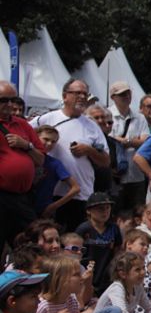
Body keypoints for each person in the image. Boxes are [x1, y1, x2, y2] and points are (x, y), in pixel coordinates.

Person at [30, 78, 109, 232]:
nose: (81, 97)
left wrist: (89, 150)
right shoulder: (47, 118)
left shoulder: (92, 126)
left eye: (84, 94)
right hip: (50, 193)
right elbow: (25, 132)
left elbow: (106, 162)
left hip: (81, 194)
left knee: (75, 239)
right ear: (65, 96)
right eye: (77, 93)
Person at [0, 80, 44, 245]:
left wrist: (26, 145)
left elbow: (40, 159)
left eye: (13, 99)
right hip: (2, 194)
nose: (9, 104)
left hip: (22, 197)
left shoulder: (23, 125)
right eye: (4, 100)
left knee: (29, 243)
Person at [107, 82, 149, 213]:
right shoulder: (106, 115)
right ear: (113, 97)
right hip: (114, 177)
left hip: (136, 176)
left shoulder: (140, 117)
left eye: (128, 93)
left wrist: (126, 141)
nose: (126, 96)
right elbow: (106, 140)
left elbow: (146, 141)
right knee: (115, 214)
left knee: (136, 213)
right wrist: (133, 141)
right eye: (122, 94)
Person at [74, 193, 121, 295]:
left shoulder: (114, 228)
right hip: (87, 276)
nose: (105, 212)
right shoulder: (83, 229)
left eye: (107, 208)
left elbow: (118, 251)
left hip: (106, 277)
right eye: (100, 208)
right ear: (89, 210)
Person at [31, 126, 78, 223]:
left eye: (53, 142)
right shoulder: (24, 157)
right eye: (46, 139)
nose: (49, 144)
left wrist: (53, 206)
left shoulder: (54, 164)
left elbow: (75, 188)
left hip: (42, 211)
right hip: (20, 205)